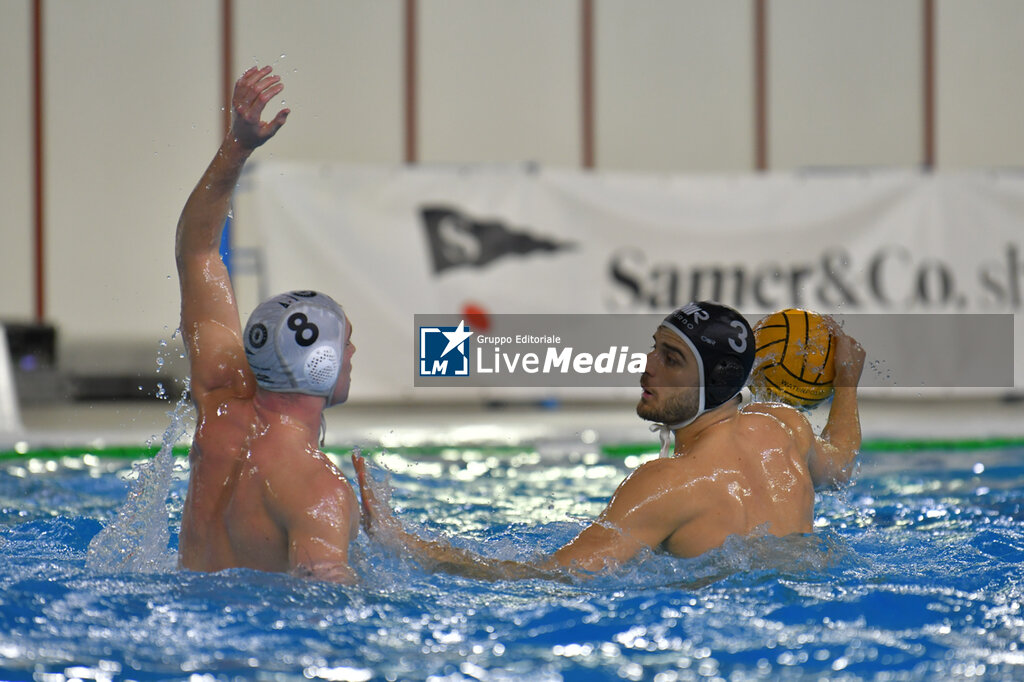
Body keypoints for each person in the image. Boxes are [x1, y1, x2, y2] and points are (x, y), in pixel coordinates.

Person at [353, 301, 865, 580]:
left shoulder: (664, 484)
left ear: (713, 382)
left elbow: (549, 577)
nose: (647, 369)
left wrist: (410, 546)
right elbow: (840, 468)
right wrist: (846, 384)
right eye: (654, 350)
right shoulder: (785, 426)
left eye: (672, 359)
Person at [176, 66, 359, 583]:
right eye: (345, 343)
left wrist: (236, 146)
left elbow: (198, 252)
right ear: (318, 365)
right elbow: (329, 614)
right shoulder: (318, 490)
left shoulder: (219, 394)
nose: (352, 354)